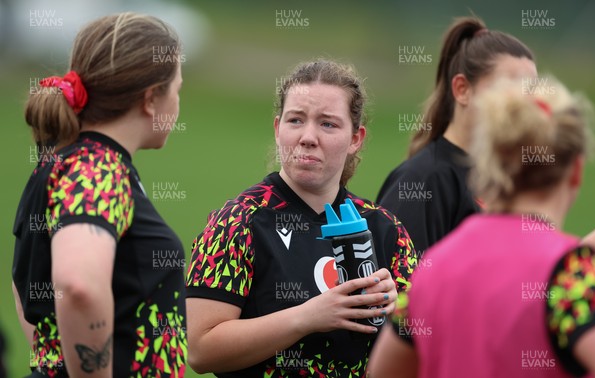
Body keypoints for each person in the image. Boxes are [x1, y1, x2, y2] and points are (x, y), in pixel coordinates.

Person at [185, 59, 416, 377]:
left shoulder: (387, 229)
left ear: (356, 138)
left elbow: (423, 346)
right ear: (278, 128)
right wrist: (307, 317)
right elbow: (200, 349)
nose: (308, 137)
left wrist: (395, 312)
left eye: (328, 124)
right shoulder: (237, 223)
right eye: (296, 120)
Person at [368, 77, 595, 377]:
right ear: (576, 170)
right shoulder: (573, 273)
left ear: (487, 162)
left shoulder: (433, 267)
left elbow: (384, 371)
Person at [12, 13, 187, 377]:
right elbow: (78, 286)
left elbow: (25, 287)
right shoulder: (97, 170)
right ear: (151, 98)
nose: (177, 104)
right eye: (177, 91)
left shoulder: (64, 162)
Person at [376, 17, 537, 254]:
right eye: (508, 91)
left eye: (530, 93)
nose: (522, 106)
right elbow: (403, 286)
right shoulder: (423, 179)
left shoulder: (509, 180)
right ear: (462, 90)